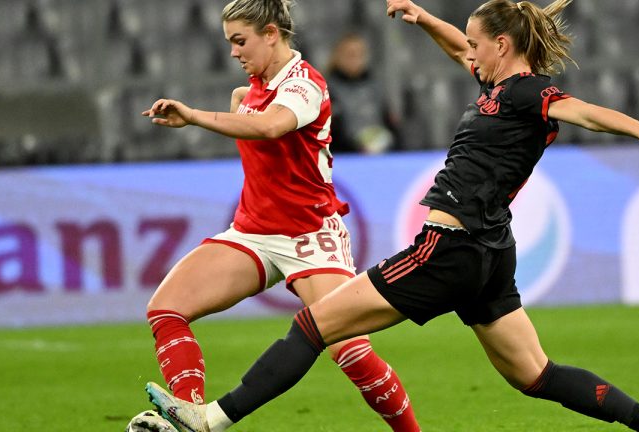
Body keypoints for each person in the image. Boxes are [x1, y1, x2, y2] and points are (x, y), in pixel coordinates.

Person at [142, 1, 639, 431]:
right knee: (535, 375)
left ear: (502, 46)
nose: (469, 54)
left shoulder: (530, 93)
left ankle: (208, 419)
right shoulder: (499, 88)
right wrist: (425, 17)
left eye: (478, 45)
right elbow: (459, 50)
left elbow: (584, 112)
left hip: (446, 248)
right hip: (491, 254)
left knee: (313, 325)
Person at [127, 1, 421, 431]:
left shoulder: (306, 85)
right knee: (166, 308)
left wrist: (194, 117)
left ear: (270, 33)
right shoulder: (248, 92)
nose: (233, 52)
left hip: (310, 237)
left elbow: (271, 127)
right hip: (253, 233)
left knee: (350, 351)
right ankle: (187, 418)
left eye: (239, 41)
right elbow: (257, 129)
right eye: (229, 42)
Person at [325, 32, 400, 154]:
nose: (355, 59)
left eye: (359, 54)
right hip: (343, 158)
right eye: (350, 54)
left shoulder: (376, 86)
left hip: (382, 155)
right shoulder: (325, 89)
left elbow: (390, 122)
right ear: (337, 56)